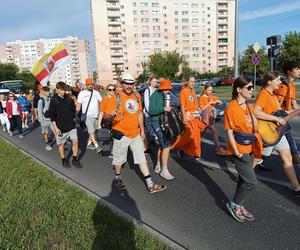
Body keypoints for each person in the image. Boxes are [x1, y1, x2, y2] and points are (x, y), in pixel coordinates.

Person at [108, 71, 166, 193]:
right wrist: (110, 116)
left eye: (132, 84)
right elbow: (106, 117)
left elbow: (139, 114)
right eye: (127, 83)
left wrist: (142, 130)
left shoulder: (137, 96)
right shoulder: (116, 97)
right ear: (122, 84)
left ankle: (150, 185)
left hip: (135, 134)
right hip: (121, 134)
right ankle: (117, 176)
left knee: (142, 159)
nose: (129, 86)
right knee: (119, 160)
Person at [254, 71, 300, 197]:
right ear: (269, 82)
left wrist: (296, 111)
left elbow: (281, 114)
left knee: (287, 158)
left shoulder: (274, 96)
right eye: (278, 80)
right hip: (268, 133)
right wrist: (275, 119)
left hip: (277, 133)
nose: (280, 82)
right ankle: (245, 175)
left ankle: (296, 188)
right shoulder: (263, 94)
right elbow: (256, 112)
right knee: (257, 158)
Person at [225, 76, 263, 222]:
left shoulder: (249, 106)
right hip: (239, 150)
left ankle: (239, 205)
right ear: (239, 90)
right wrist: (237, 152)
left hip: (250, 148)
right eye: (249, 87)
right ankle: (234, 204)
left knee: (243, 179)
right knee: (251, 182)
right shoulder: (231, 107)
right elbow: (229, 131)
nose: (252, 90)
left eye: (252, 87)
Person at [48, 81, 82, 168]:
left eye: (65, 90)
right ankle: (63, 159)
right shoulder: (53, 100)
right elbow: (52, 116)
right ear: (57, 90)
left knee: (75, 141)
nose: (64, 91)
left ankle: (74, 159)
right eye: (62, 90)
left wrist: (75, 117)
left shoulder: (69, 100)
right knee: (61, 144)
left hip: (71, 125)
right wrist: (56, 128)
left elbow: (73, 111)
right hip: (60, 127)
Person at [172, 76, 203, 161]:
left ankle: (194, 153)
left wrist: (198, 114)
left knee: (196, 136)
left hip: (195, 116)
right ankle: (180, 147)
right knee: (190, 135)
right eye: (191, 81)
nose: (193, 83)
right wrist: (184, 117)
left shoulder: (192, 91)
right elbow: (182, 106)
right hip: (188, 116)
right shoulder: (183, 92)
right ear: (187, 82)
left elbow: (196, 105)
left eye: (194, 81)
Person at [275, 61, 300, 166]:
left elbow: (294, 105)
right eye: (297, 69)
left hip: (285, 120)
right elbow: (276, 109)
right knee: (292, 148)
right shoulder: (283, 87)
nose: (299, 71)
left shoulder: (292, 86)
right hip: (279, 121)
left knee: (291, 147)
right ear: (289, 72)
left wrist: (297, 110)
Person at [149, 79, 175, 180]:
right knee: (166, 144)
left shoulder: (167, 94)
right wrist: (163, 109)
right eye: (166, 89)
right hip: (156, 122)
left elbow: (176, 101)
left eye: (169, 89)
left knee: (162, 144)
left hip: (165, 122)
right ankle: (164, 170)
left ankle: (158, 164)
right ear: (161, 88)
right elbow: (151, 110)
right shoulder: (154, 96)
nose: (168, 90)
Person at [76, 78, 103, 154]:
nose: (90, 86)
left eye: (91, 84)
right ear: (86, 85)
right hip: (87, 116)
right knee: (91, 131)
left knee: (93, 132)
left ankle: (88, 144)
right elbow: (78, 105)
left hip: (96, 116)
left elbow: (102, 102)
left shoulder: (96, 92)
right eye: (88, 84)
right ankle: (97, 146)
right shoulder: (82, 93)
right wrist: (76, 115)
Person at [199, 82, 226, 156]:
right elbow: (202, 109)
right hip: (205, 118)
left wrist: (218, 102)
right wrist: (209, 103)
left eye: (211, 90)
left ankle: (195, 145)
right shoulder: (202, 97)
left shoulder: (210, 96)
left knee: (202, 133)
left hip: (210, 117)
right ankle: (219, 149)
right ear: (205, 89)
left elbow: (215, 102)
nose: (210, 92)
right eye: (208, 90)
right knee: (213, 132)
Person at [98, 84, 116, 157]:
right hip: (108, 120)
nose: (112, 91)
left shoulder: (117, 98)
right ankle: (112, 151)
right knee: (112, 137)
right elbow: (101, 112)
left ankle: (115, 151)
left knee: (116, 137)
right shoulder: (104, 100)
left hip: (117, 120)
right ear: (107, 90)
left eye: (113, 89)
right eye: (110, 89)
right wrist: (99, 124)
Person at [37, 86, 53, 151]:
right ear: (43, 92)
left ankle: (61, 144)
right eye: (47, 91)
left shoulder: (50, 99)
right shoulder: (41, 101)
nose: (48, 92)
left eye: (49, 91)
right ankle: (47, 145)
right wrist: (41, 121)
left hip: (51, 119)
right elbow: (39, 111)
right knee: (46, 132)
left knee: (56, 131)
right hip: (44, 119)